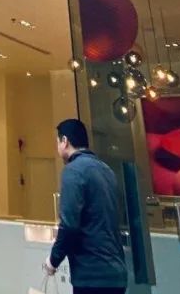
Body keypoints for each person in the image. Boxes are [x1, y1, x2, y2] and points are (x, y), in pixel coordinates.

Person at [43, 119, 127, 294]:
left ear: (64, 141)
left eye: (58, 142)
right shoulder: (106, 170)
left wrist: (53, 261)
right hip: (116, 274)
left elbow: (69, 225)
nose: (57, 147)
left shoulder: (73, 171)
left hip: (92, 275)